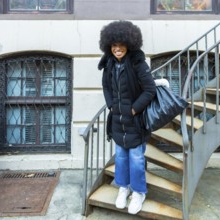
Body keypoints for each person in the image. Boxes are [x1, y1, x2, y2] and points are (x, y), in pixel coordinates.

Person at [98, 20, 156, 215]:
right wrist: (111, 105)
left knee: (136, 159)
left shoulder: (138, 62)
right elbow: (106, 86)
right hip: (117, 121)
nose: (117, 49)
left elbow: (150, 89)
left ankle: (139, 192)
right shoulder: (109, 64)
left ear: (129, 44)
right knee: (121, 158)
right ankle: (123, 188)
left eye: (121, 45)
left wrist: (134, 110)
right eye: (113, 45)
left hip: (135, 122)